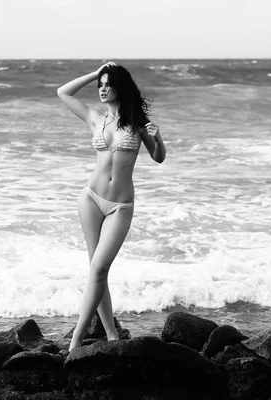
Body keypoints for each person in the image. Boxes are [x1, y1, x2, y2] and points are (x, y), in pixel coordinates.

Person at [57, 62, 166, 351]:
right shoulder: (95, 117)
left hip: (120, 205)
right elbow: (63, 92)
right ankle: (111, 335)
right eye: (100, 85)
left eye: (108, 84)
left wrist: (158, 138)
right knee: (97, 270)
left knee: (99, 268)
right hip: (90, 198)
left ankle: (77, 338)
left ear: (121, 87)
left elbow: (158, 157)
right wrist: (96, 73)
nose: (102, 89)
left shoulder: (137, 122)